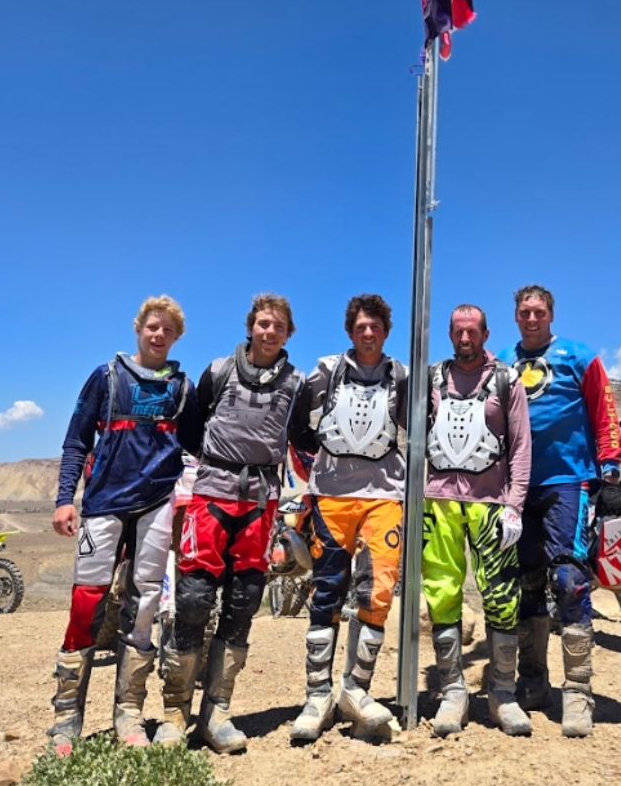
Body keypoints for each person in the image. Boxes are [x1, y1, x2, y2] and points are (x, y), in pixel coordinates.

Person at [155, 293, 313, 753]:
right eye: (263, 323)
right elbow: (189, 426)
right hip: (212, 493)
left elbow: (302, 436)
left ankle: (217, 712)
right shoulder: (218, 370)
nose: (270, 332)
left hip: (261, 500)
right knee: (193, 597)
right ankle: (173, 713)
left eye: (278, 326)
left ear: (288, 333)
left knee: (244, 600)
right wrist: (213, 461)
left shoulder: (296, 383)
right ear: (251, 326)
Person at [48, 295, 202, 753]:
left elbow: (197, 443)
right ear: (138, 329)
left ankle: (128, 713)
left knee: (146, 605)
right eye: (152, 327)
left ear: (176, 337)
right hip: (103, 504)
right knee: (86, 602)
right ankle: (66, 717)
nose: (158, 335)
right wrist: (64, 500)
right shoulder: (106, 376)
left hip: (156, 503)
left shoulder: (182, 387)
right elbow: (76, 441)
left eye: (167, 330)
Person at [497, 284, 621, 738]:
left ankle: (578, 693)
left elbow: (603, 408)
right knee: (525, 583)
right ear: (515, 317)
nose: (531, 319)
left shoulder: (579, 356)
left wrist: (610, 463)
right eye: (524, 312)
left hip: (566, 480)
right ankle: (533, 684)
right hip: (515, 485)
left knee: (569, 580)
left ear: (551, 315)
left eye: (538, 312)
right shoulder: (501, 363)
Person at [290, 293, 408, 743]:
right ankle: (317, 695)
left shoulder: (402, 375)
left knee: (378, 589)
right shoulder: (325, 371)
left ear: (385, 331)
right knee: (327, 592)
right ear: (350, 330)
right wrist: (311, 471)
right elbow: (297, 425)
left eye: (375, 326)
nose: (368, 333)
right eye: (360, 326)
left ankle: (355, 690)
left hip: (383, 497)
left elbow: (421, 424)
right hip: (332, 497)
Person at [423, 305, 533, 737]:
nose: (465, 338)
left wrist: (516, 505)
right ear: (450, 334)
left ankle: (502, 693)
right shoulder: (431, 377)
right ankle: (453, 689)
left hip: (491, 504)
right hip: (439, 502)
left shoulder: (507, 381)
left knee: (502, 594)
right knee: (442, 592)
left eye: (473, 331)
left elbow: (521, 445)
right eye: (458, 331)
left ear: (486, 333)